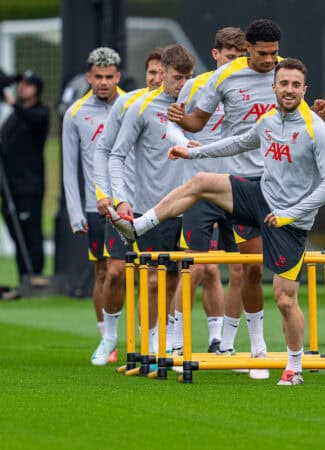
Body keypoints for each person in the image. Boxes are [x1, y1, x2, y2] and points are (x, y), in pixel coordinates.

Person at [167, 19, 325, 378]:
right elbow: (199, 123)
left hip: (285, 178)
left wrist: (320, 108)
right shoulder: (221, 78)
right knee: (244, 269)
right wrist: (183, 125)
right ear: (242, 52)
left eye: (273, 53)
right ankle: (255, 350)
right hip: (244, 183)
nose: (270, 60)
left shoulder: (285, 71)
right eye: (262, 54)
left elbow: (299, 107)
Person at [110, 58, 325, 386]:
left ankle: (294, 366)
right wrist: (193, 153)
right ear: (274, 87)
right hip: (259, 198)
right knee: (202, 180)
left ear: (305, 89)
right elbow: (238, 142)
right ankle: (138, 225)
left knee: (286, 298)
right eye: (283, 84)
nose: (288, 90)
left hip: (290, 221)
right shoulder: (269, 120)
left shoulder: (314, 127)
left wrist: (291, 214)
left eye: (295, 85)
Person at [108, 44, 195, 356]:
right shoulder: (141, 108)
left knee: (178, 280)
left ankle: (170, 344)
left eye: (187, 77)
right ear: (163, 75)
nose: (182, 84)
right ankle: (152, 345)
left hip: (191, 210)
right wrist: (121, 199)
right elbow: (116, 155)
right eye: (176, 77)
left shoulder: (200, 107)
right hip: (153, 209)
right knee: (154, 282)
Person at [165, 28, 247, 358]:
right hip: (200, 185)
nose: (235, 63)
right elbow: (171, 122)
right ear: (215, 56)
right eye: (230, 57)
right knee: (196, 266)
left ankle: (224, 343)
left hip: (239, 186)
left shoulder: (255, 85)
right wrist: (186, 143)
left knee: (242, 269)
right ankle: (175, 339)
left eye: (241, 57)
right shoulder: (197, 86)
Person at [88, 48, 164, 365]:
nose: (157, 79)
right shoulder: (127, 102)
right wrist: (105, 193)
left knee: (155, 278)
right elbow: (102, 151)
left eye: (163, 74)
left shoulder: (184, 107)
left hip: (161, 205)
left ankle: (153, 342)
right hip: (123, 204)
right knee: (115, 272)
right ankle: (110, 338)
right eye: (152, 73)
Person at [62, 47, 123, 356]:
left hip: (131, 204)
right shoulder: (75, 113)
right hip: (94, 207)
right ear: (88, 77)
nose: (103, 82)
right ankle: (107, 340)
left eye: (109, 77)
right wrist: (75, 213)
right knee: (103, 273)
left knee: (131, 272)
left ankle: (149, 339)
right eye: (97, 77)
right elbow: (68, 167)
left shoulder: (132, 106)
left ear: (118, 76)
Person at [0, 70, 48, 285]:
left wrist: (12, 103)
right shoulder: (13, 116)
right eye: (21, 84)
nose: (22, 88)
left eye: (28, 85)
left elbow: (29, 117)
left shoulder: (39, 113)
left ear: (36, 90)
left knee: (30, 232)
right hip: (9, 186)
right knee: (16, 233)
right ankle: (24, 277)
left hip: (29, 186)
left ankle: (34, 274)